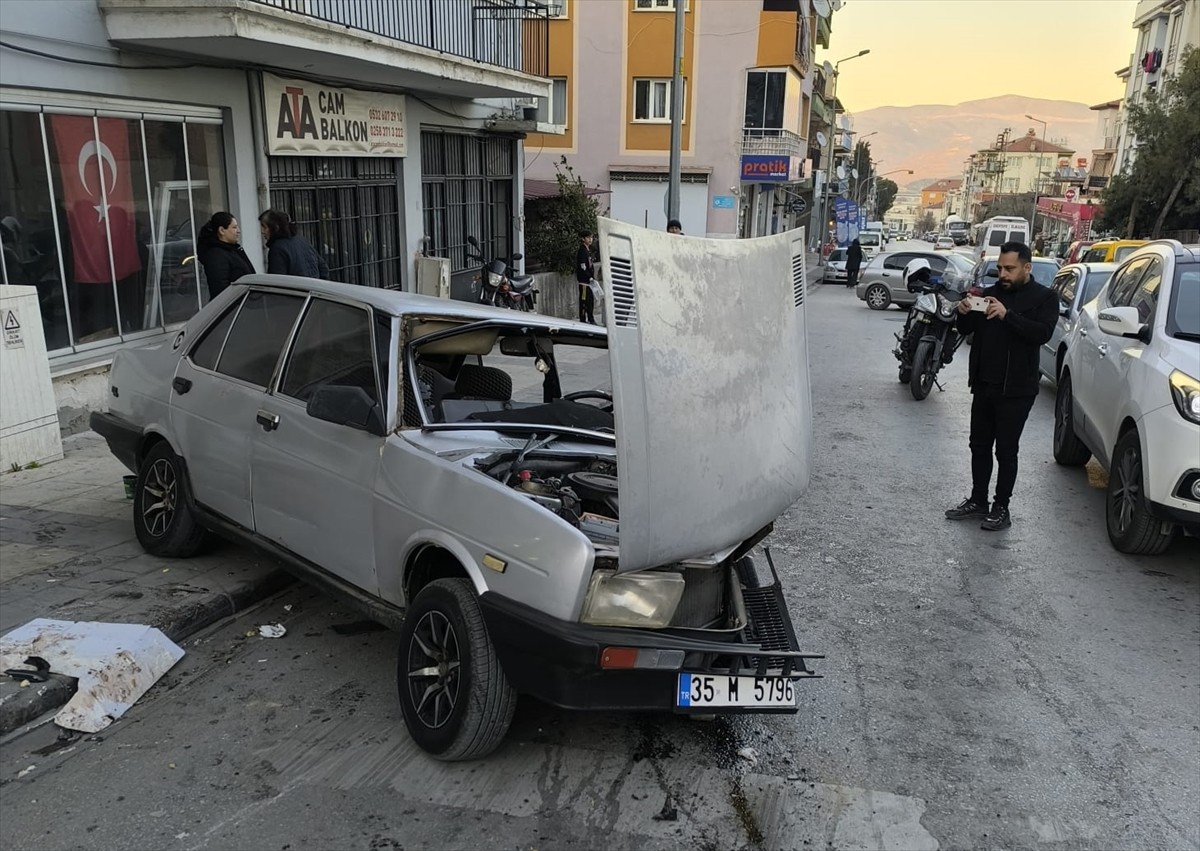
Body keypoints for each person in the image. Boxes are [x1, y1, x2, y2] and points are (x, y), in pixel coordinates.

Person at [946, 241, 1057, 531]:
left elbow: (1042, 334)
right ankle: (978, 500)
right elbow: (966, 330)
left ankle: (1001, 507)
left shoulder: (1044, 298)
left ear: (1026, 267)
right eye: (1000, 269)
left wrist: (1008, 316)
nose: (1003, 274)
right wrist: (964, 311)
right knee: (979, 445)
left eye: (1010, 269)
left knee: (1006, 450)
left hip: (1017, 389)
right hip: (984, 384)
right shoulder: (988, 294)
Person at [197, 212, 256, 299]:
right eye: (234, 227)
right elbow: (220, 291)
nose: (238, 231)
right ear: (222, 230)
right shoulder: (216, 255)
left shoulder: (232, 250)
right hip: (234, 304)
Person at [259, 209, 330, 280]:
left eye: (264, 227)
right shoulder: (302, 240)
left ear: (275, 227)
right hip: (313, 285)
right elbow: (323, 269)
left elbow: (277, 281)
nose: (262, 231)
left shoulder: (277, 249)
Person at [576, 230, 596, 325]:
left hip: (588, 282)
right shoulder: (582, 251)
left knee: (590, 300)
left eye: (591, 237)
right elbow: (583, 266)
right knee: (584, 300)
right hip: (584, 282)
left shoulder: (587, 250)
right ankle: (583, 319)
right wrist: (589, 276)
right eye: (588, 237)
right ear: (583, 239)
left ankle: (590, 318)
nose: (590, 239)